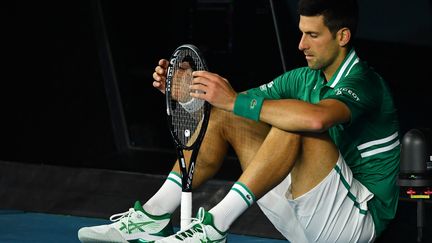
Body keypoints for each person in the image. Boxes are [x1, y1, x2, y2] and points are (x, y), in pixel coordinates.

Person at [78, 0, 400, 242]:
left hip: (354, 225)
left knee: (296, 122)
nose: (301, 44)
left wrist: (232, 99)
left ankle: (215, 226)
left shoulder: (364, 81)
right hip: (302, 216)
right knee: (224, 115)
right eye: (301, 33)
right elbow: (234, 108)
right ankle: (154, 214)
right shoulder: (303, 77)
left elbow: (317, 120)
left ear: (342, 36)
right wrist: (187, 92)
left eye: (312, 35)